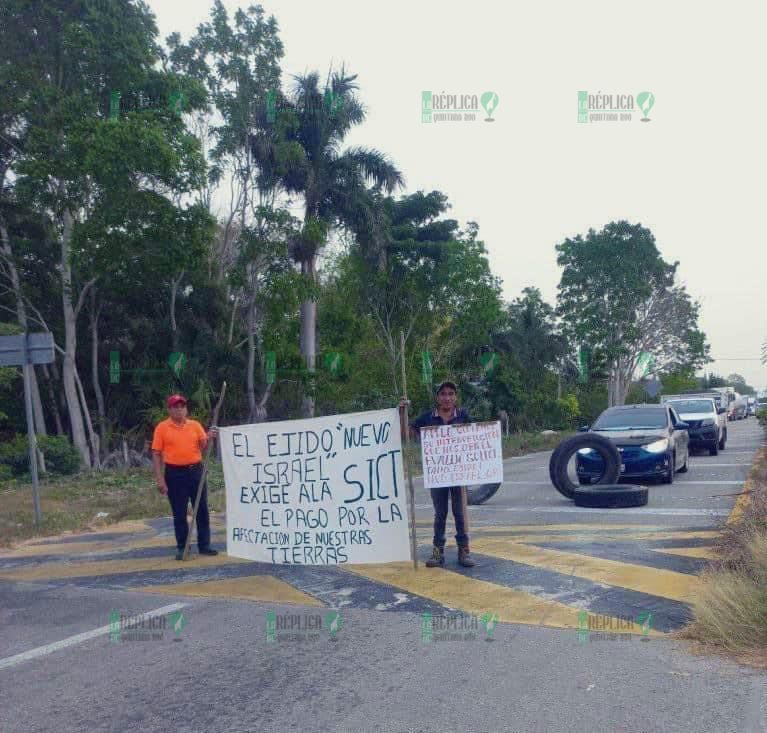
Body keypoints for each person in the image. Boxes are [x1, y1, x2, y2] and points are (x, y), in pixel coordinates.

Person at [399, 381, 476, 568]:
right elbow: (406, 435)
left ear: (455, 397)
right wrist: (402, 413)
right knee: (440, 513)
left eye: (451, 393)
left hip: (458, 473)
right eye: (443, 394)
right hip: (438, 473)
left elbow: (475, 438)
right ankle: (437, 552)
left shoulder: (464, 416)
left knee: (459, 513)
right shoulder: (428, 417)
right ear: (437, 397)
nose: (447, 397)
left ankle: (464, 551)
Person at [152, 394, 219, 560]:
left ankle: (205, 545)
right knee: (179, 512)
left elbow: (203, 445)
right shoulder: (162, 428)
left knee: (202, 509)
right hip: (174, 474)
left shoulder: (195, 425)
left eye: (182, 406)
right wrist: (160, 479)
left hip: (196, 471)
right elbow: (156, 454)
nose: (180, 410)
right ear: (170, 409)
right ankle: (183, 547)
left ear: (186, 409)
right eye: (176, 407)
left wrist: (209, 437)